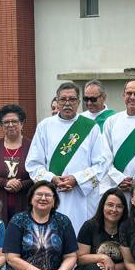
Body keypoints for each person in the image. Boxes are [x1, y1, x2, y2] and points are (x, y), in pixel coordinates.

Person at [25, 82, 111, 232]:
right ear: (57, 102)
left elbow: (102, 164)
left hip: (81, 196)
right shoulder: (44, 126)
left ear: (78, 102)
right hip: (52, 193)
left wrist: (76, 179)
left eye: (72, 99)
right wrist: (52, 178)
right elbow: (33, 164)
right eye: (63, 99)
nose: (67, 103)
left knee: (80, 238)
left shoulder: (91, 127)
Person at [0, 104, 33, 220]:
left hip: (26, 204)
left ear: (22, 124)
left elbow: (39, 175)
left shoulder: (33, 147)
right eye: (6, 122)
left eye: (14, 121)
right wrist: (5, 183)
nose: (10, 125)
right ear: (1, 125)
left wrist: (21, 185)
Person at [102, 79, 135, 195]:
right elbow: (105, 155)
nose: (132, 97)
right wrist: (119, 178)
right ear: (123, 96)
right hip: (115, 186)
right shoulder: (111, 122)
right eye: (129, 93)